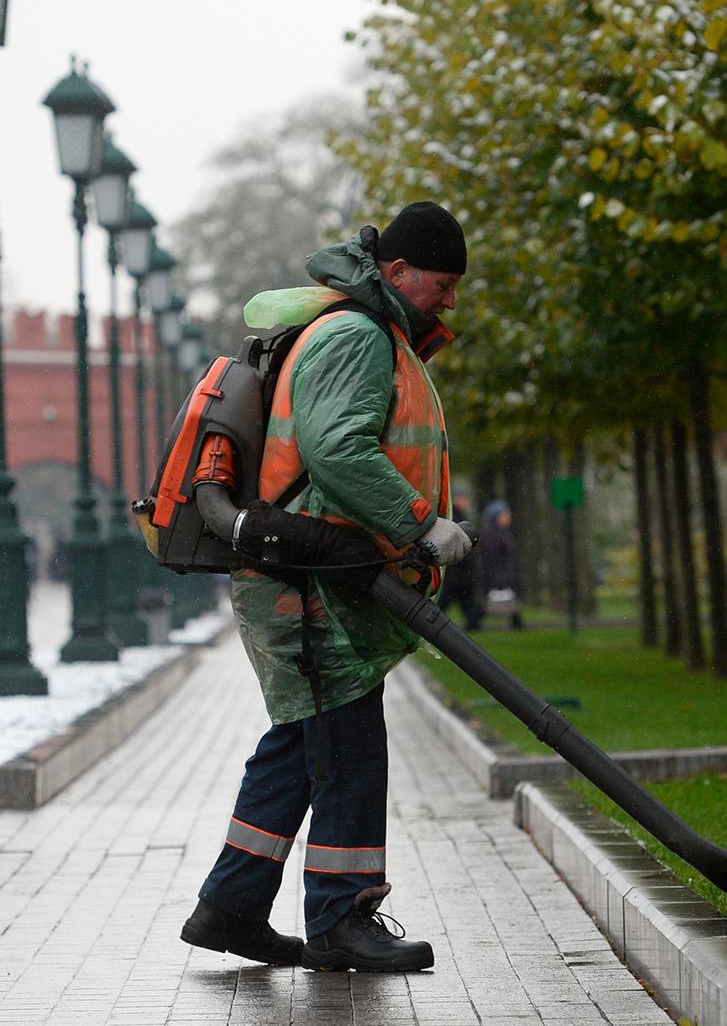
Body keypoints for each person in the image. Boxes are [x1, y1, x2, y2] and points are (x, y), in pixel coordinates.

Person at [180, 203, 471, 973]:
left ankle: (231, 906)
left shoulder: (366, 332)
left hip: (309, 575)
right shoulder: (356, 336)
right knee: (347, 750)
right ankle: (343, 916)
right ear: (399, 272)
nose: (449, 302)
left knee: (300, 746)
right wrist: (420, 525)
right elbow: (337, 450)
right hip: (311, 582)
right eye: (442, 285)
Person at [437, 494, 485, 631]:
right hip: (458, 572)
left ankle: (473, 622)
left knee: (458, 602)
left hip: (457, 572)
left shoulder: (455, 516)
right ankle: (473, 622)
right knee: (458, 601)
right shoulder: (456, 517)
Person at [480, 500, 525, 631]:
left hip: (505, 574)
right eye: (505, 515)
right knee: (495, 600)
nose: (508, 518)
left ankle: (517, 623)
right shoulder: (493, 535)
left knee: (510, 600)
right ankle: (474, 622)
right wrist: (500, 576)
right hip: (500, 575)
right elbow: (493, 558)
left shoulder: (500, 533)